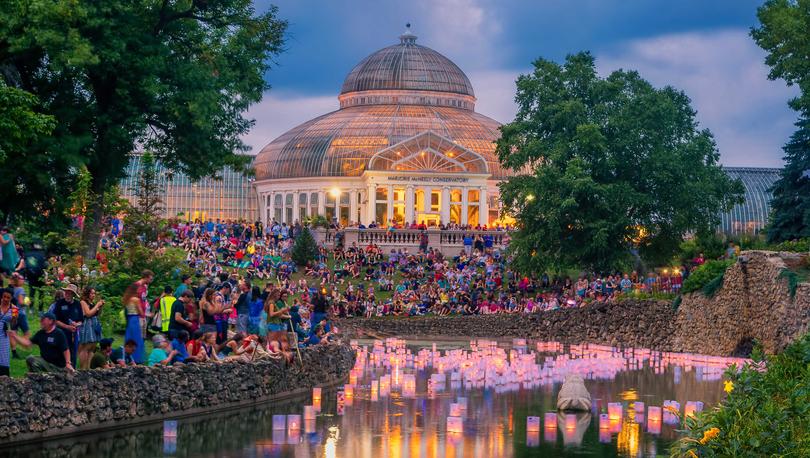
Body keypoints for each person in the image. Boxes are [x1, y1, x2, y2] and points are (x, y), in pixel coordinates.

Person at [53, 284, 83, 367]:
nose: (67, 294)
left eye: (69, 293)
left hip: (74, 333)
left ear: (73, 294)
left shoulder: (77, 304)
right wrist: (67, 327)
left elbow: (81, 320)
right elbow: (55, 320)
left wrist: (77, 324)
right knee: (61, 351)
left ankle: (72, 370)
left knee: (73, 353)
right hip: (61, 332)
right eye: (66, 292)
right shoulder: (59, 303)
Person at [77, 286, 104, 370]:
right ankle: (83, 368)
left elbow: (97, 313)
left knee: (92, 347)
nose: (93, 295)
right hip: (87, 325)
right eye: (92, 293)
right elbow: (88, 313)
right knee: (86, 347)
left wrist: (100, 306)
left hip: (94, 324)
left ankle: (88, 367)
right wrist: (97, 305)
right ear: (87, 293)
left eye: (94, 293)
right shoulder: (83, 302)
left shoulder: (92, 303)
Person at [122, 282, 146, 364]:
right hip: (135, 319)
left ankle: (126, 356)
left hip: (129, 319)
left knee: (129, 337)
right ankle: (137, 358)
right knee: (137, 339)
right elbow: (141, 312)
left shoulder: (126, 299)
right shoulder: (136, 299)